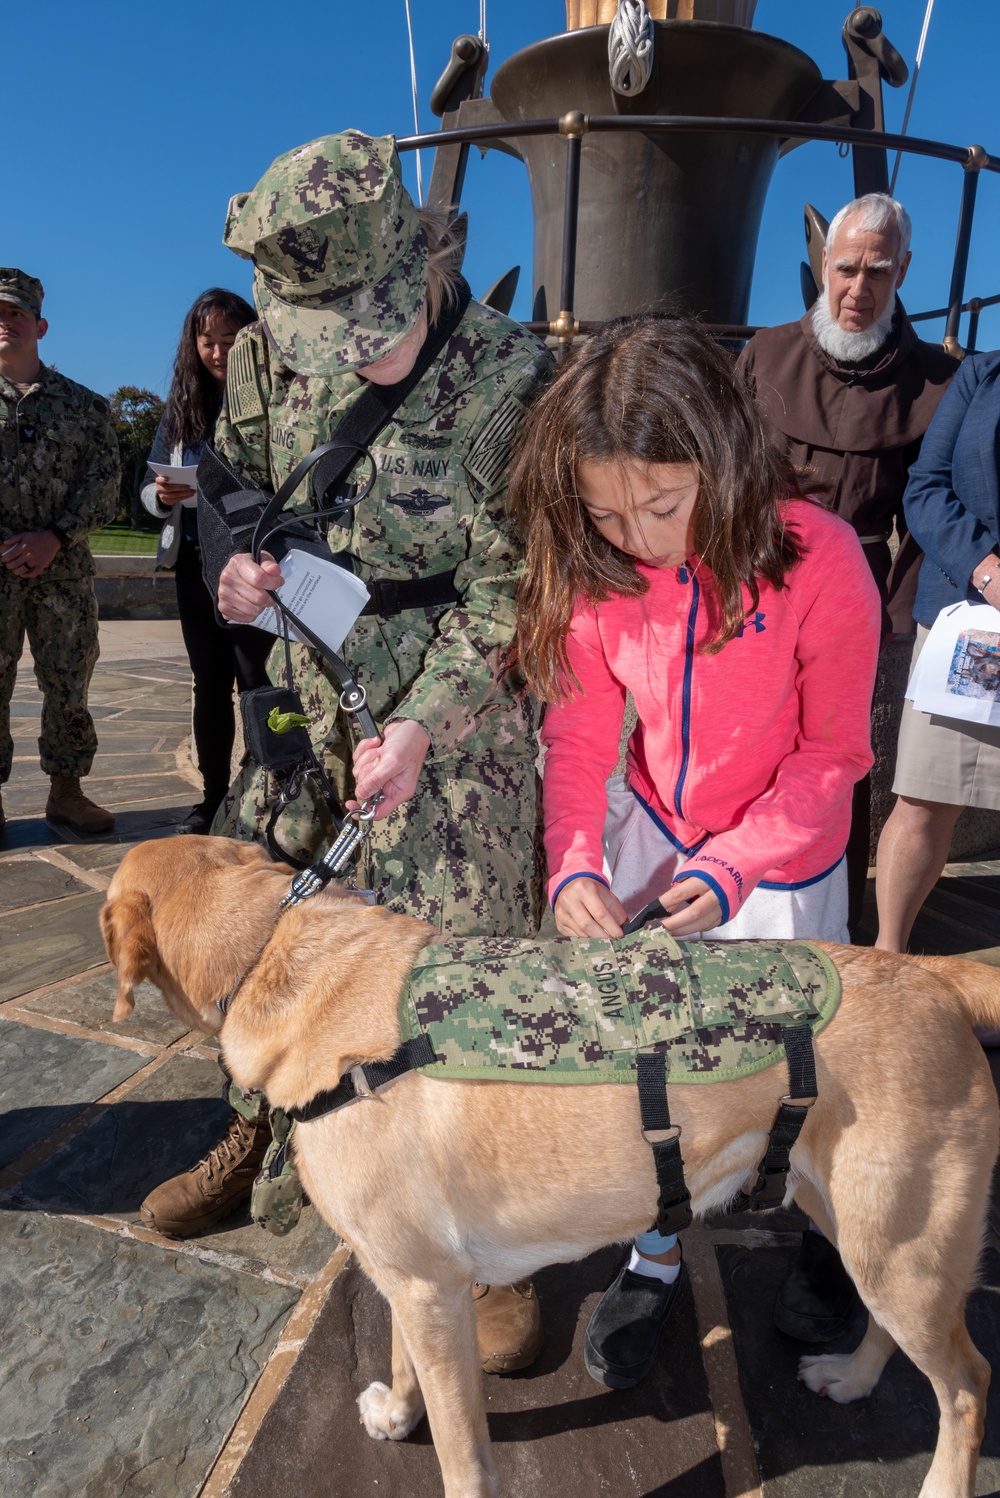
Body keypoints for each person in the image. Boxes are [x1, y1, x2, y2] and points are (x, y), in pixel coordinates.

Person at [139, 130, 553, 1372]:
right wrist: (237, 575)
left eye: (366, 330)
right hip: (311, 709)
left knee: (459, 980)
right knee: (276, 956)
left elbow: (519, 590)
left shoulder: (513, 377)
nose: (346, 356)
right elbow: (235, 484)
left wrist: (427, 721)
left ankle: (489, 1237)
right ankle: (262, 1140)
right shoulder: (269, 348)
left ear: (412, 266)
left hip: (457, 730)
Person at [509, 313, 881, 1390]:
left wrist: (735, 866)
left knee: (804, 1070)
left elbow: (831, 758)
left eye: (663, 505)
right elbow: (578, 738)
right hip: (657, 830)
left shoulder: (820, 558)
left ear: (718, 458)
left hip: (779, 852)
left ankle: (826, 1236)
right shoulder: (599, 570)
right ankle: (655, 1244)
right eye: (606, 511)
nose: (638, 537)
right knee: (647, 1056)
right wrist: (574, 860)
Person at [737, 194, 958, 935]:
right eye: (846, 269)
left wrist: (898, 616)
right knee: (744, 749)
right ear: (822, 265)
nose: (858, 289)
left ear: (904, 273)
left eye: (879, 272)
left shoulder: (931, 381)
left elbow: (927, 509)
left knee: (837, 767)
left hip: (853, 596)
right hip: (756, 583)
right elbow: (724, 476)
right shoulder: (767, 354)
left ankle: (830, 930)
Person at [876, 350, 1000, 952]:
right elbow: (925, 488)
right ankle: (888, 957)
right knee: (926, 798)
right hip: (975, 621)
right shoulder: (983, 374)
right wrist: (985, 567)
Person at [141, 289, 273, 833]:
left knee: (256, 680)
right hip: (195, 566)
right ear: (192, 346)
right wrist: (161, 496)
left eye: (229, 340)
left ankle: (268, 786)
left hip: (252, 565)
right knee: (209, 683)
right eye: (207, 342)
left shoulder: (272, 398)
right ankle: (214, 794)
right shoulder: (181, 410)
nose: (218, 353)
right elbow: (143, 491)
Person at [0, 267, 120, 838]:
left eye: (16, 313)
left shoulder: (84, 408)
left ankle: (67, 793)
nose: (6, 322)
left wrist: (55, 537)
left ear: (40, 325)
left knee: (69, 685)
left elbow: (105, 484)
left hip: (63, 573)